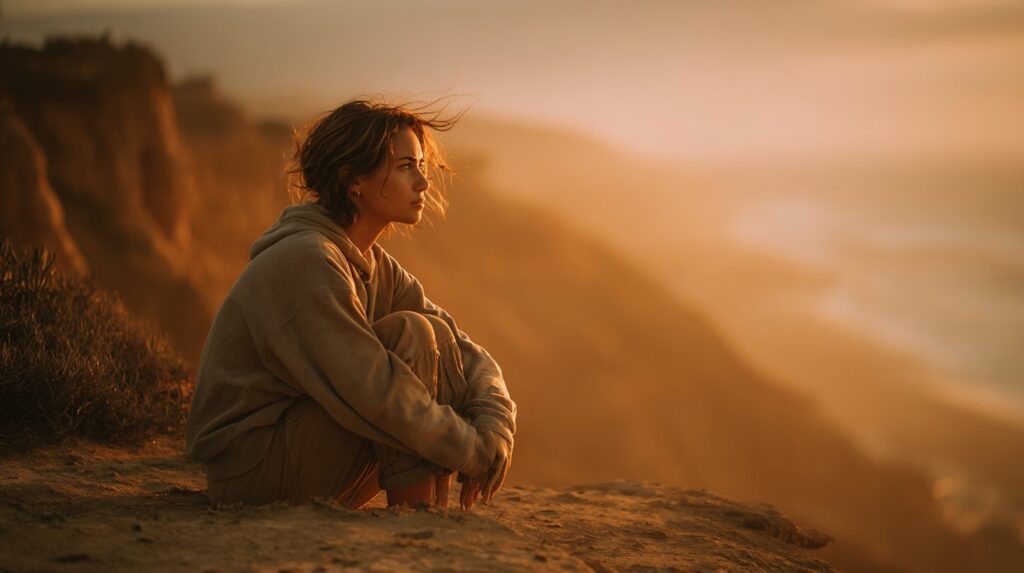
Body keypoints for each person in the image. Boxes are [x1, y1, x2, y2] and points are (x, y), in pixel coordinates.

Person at [185, 99, 516, 510]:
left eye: (421, 167)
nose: (423, 184)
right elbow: (376, 391)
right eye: (405, 166)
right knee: (411, 335)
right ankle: (417, 519)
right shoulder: (309, 261)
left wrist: (496, 424)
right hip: (253, 470)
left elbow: (463, 350)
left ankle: (423, 515)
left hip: (301, 452)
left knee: (431, 334)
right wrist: (472, 450)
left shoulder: (374, 264)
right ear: (353, 179)